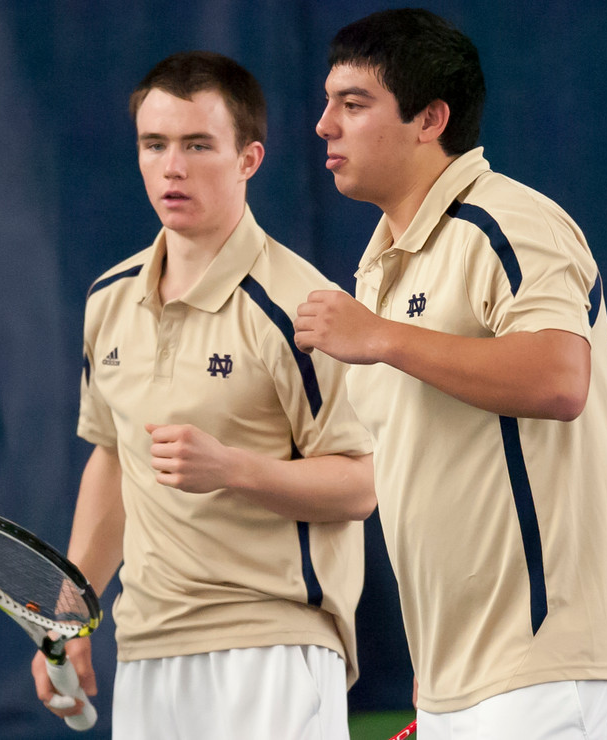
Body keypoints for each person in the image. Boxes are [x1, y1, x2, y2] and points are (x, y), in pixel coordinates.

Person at [294, 9, 607, 739]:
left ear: (429, 119)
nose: (323, 125)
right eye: (326, 102)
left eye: (353, 103)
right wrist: (439, 679)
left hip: (556, 665)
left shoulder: (508, 221)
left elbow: (561, 378)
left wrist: (379, 337)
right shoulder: (378, 269)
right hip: (458, 680)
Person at [31, 51, 375, 739]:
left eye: (197, 145)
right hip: (150, 649)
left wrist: (231, 470)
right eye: (154, 145)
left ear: (248, 158)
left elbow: (364, 484)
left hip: (274, 647)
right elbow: (114, 462)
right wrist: (67, 613)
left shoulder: (303, 306)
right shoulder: (108, 300)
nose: (172, 167)